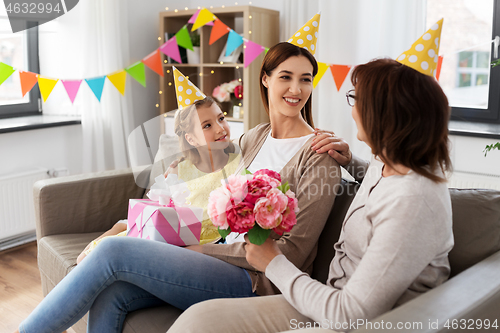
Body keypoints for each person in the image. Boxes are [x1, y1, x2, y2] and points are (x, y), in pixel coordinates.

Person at [15, 41, 341, 333]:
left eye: (306, 78)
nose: (296, 88)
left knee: (113, 250)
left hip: (258, 278)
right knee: (112, 295)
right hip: (216, 258)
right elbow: (211, 161)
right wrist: (182, 163)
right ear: (266, 79)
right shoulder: (255, 137)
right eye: (286, 76)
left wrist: (198, 250)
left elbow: (294, 253)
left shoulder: (319, 156)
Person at [165, 57, 454, 333]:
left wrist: (272, 261)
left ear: (385, 115)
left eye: (357, 99)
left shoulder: (413, 202)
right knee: (197, 320)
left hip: (358, 321)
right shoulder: (388, 161)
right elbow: (381, 185)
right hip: (325, 298)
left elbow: (349, 314)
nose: (352, 110)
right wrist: (350, 161)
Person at [75, 96, 239, 264]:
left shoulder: (239, 163)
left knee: (105, 253)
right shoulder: (180, 168)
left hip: (204, 238)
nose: (220, 128)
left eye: (221, 118)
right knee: (86, 256)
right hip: (171, 232)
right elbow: (163, 209)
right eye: (207, 125)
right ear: (191, 139)